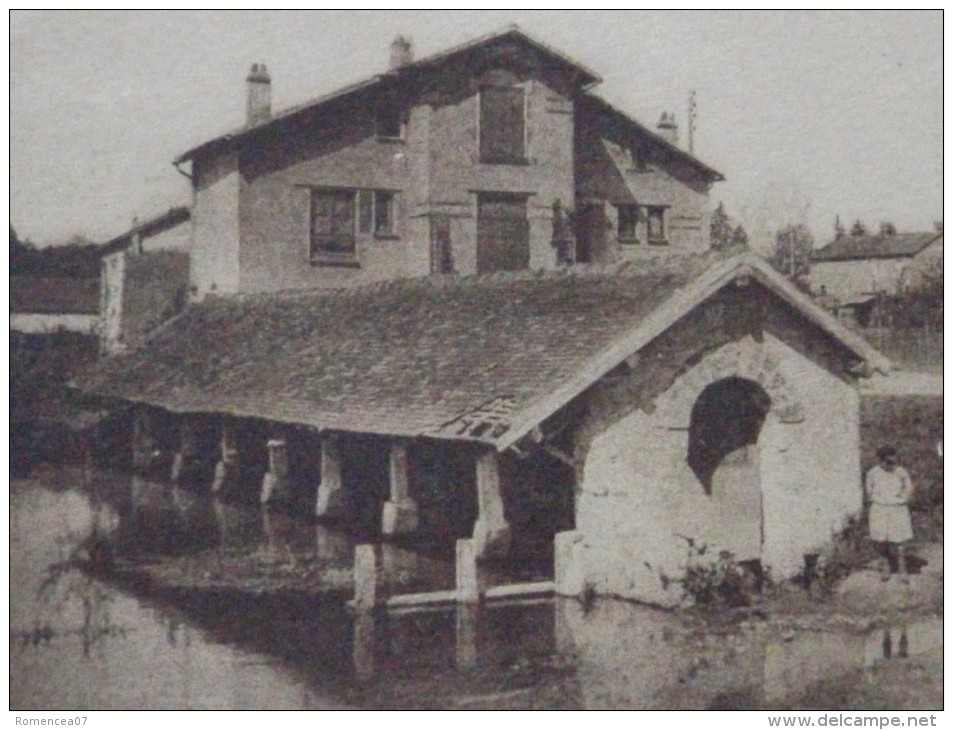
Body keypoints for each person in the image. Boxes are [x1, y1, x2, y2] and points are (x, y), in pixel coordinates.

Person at [865, 446, 914, 580]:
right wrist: (880, 501)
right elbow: (869, 492)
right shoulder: (872, 473)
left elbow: (908, 489)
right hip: (880, 509)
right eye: (887, 462)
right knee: (881, 540)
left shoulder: (901, 472)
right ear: (880, 460)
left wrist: (900, 500)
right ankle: (885, 568)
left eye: (893, 461)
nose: (890, 465)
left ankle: (902, 570)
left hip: (897, 509)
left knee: (900, 542)